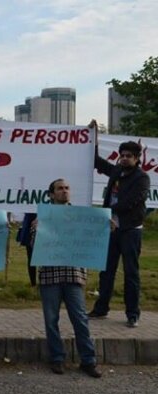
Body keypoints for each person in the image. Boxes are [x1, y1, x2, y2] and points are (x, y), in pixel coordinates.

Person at [33, 179, 102, 378]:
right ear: (51, 194)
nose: (64, 191)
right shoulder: (43, 216)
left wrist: (105, 228)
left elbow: (93, 238)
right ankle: (57, 358)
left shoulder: (82, 217)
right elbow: (33, 245)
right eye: (59, 188)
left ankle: (88, 360)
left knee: (80, 319)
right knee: (51, 319)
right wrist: (36, 231)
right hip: (50, 276)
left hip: (74, 275)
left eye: (67, 188)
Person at [88, 121, 150, 328]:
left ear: (136, 158)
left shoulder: (142, 178)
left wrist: (109, 214)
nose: (124, 159)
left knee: (131, 272)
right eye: (122, 155)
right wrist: (93, 138)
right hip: (112, 229)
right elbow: (96, 162)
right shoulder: (116, 172)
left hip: (130, 230)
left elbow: (132, 201)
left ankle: (132, 313)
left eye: (128, 156)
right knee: (106, 270)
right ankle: (101, 308)